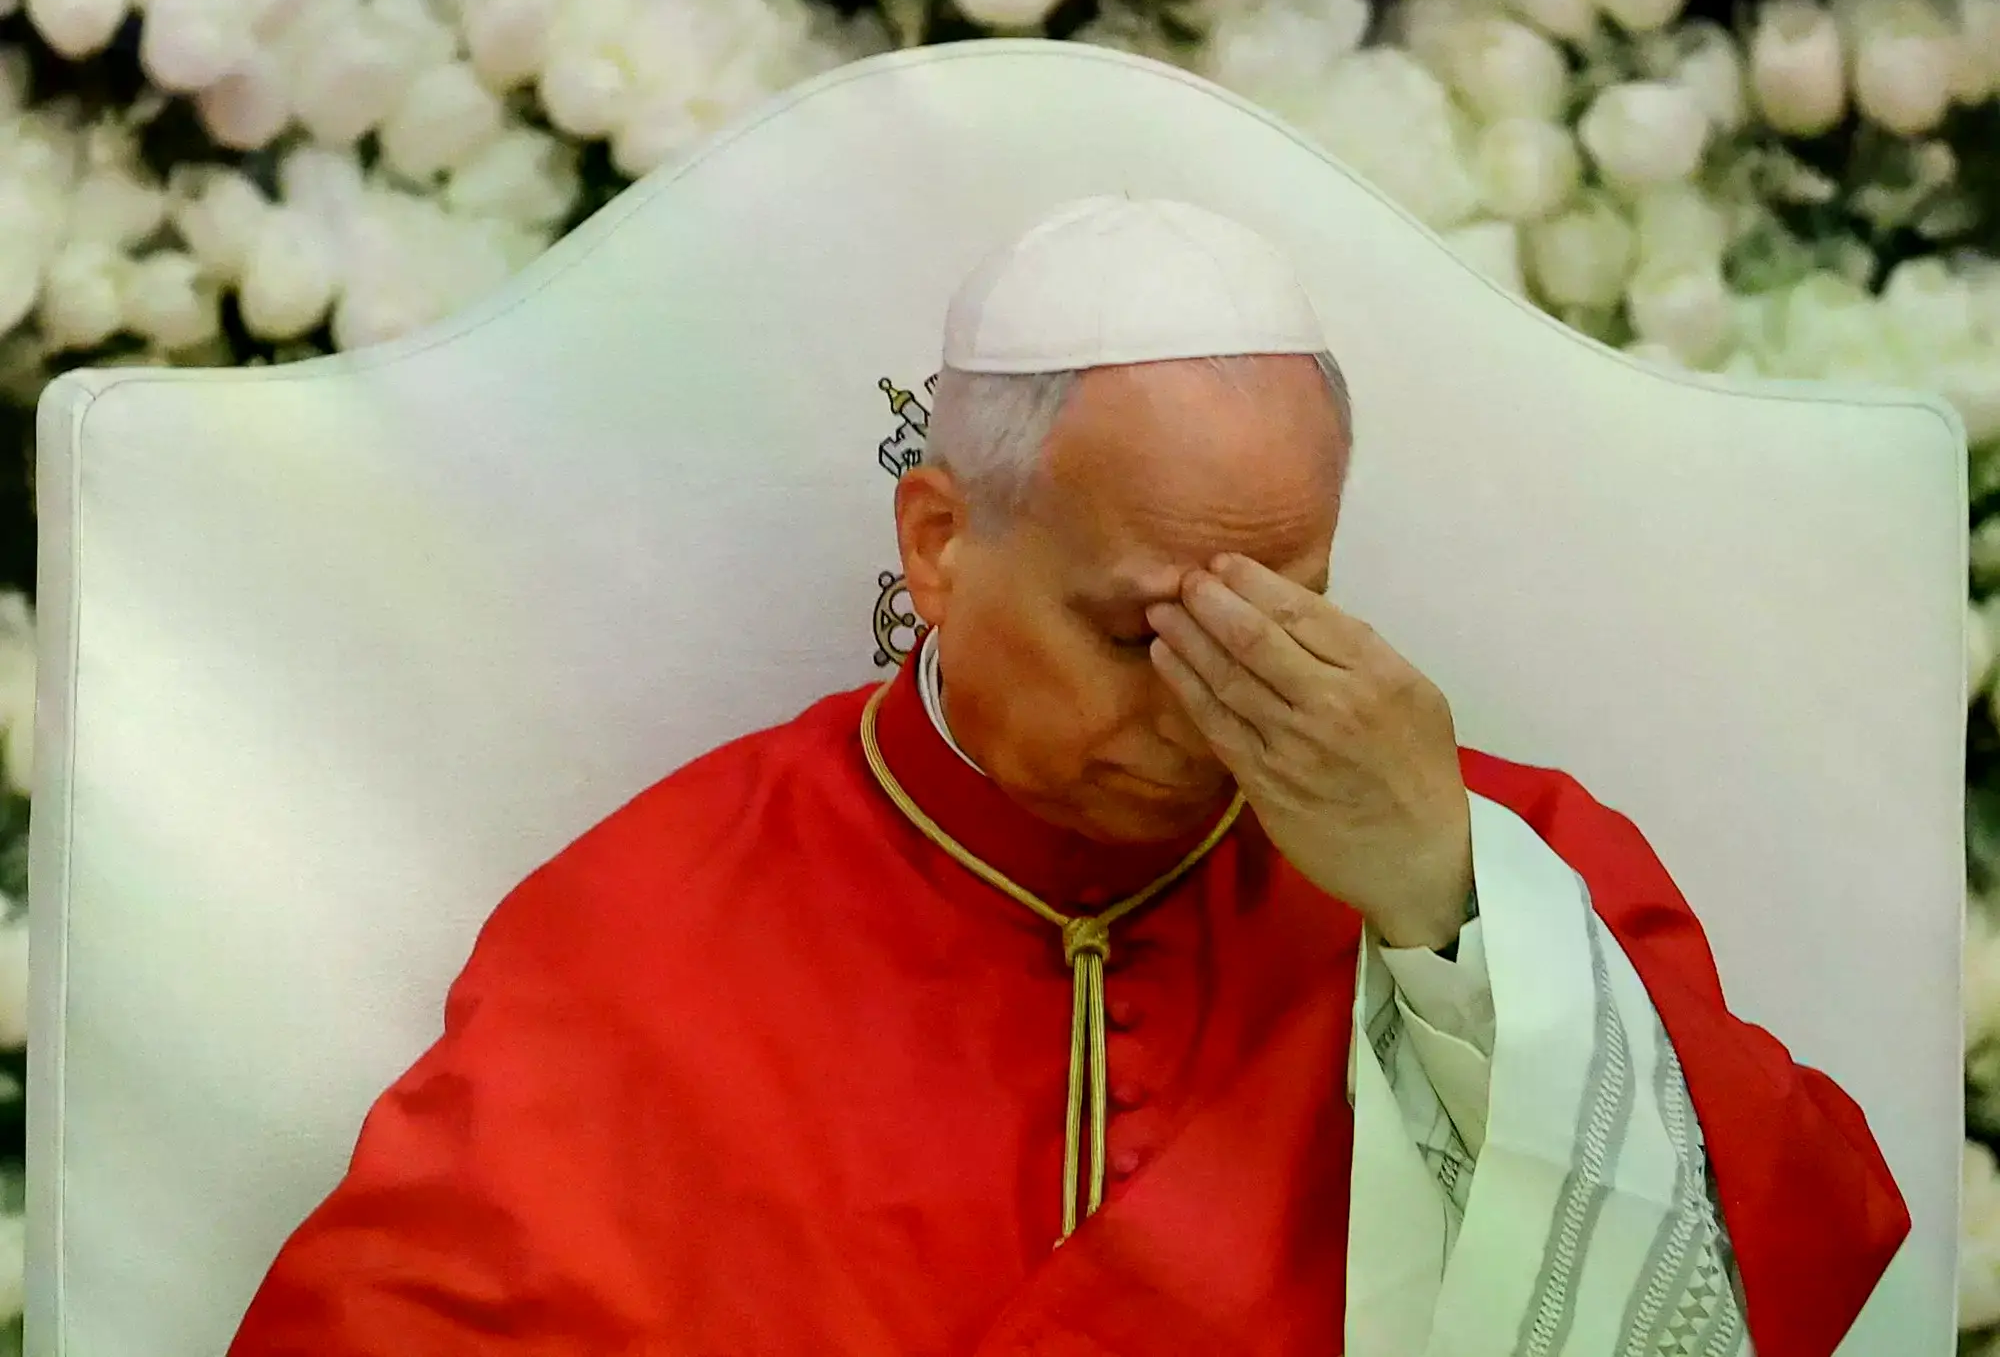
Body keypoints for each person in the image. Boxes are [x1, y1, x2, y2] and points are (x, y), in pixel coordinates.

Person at [227, 196, 1909, 1357]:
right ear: (942, 543)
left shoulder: (1506, 860)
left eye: (1280, 615)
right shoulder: (649, 927)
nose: (1208, 711)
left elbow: (1788, 1265)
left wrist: (1452, 925)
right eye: (1136, 633)